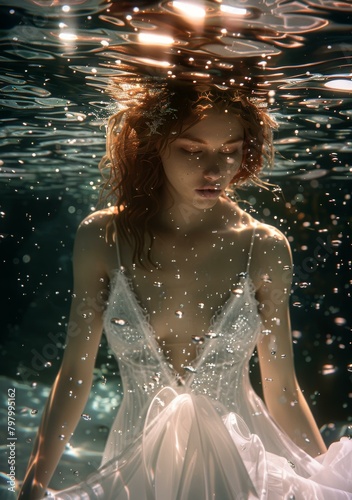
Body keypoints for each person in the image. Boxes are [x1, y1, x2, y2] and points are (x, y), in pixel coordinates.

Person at [19, 82, 351, 499]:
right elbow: (74, 375)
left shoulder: (264, 246)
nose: (214, 170)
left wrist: (326, 482)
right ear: (154, 146)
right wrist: (33, 481)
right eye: (193, 151)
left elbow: (282, 389)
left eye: (229, 150)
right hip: (137, 472)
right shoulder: (102, 236)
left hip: (243, 470)